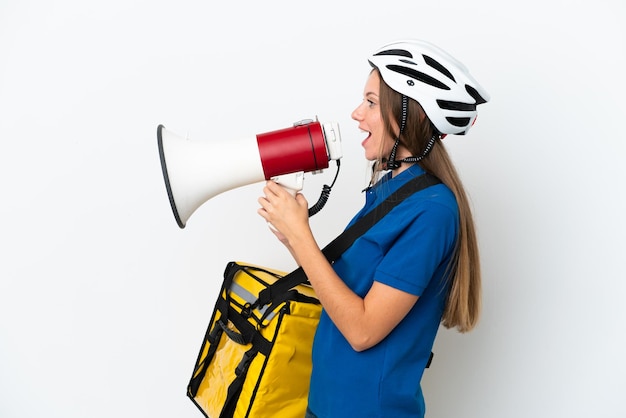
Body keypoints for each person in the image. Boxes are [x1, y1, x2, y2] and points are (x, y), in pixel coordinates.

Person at [257, 39, 489, 418]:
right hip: (327, 405)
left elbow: (363, 330)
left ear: (407, 113)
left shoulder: (433, 212)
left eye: (370, 102)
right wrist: (292, 237)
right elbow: (347, 292)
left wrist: (303, 239)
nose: (356, 114)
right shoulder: (390, 191)